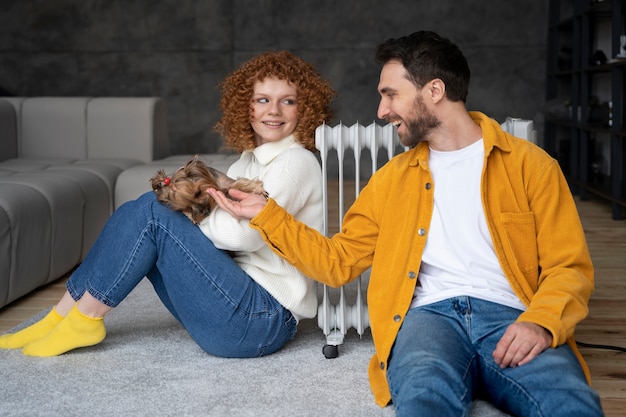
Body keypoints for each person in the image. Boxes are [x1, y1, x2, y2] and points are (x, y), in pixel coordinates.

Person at [209, 31, 605, 416]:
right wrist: (266, 214)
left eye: (390, 94)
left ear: (434, 91)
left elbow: (567, 267)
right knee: (424, 400)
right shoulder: (391, 179)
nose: (382, 111)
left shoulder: (531, 166)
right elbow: (337, 263)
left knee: (569, 402)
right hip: (427, 319)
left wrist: (542, 322)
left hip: (513, 314)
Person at [0, 50, 335, 358]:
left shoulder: (296, 162)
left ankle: (85, 318)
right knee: (145, 207)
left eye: (287, 101)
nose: (273, 111)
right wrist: (196, 208)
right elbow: (224, 231)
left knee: (153, 213)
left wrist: (190, 210)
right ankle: (59, 317)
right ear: (246, 108)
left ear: (304, 109)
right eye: (262, 100)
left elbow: (243, 237)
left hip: (262, 320)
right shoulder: (247, 163)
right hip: (236, 304)